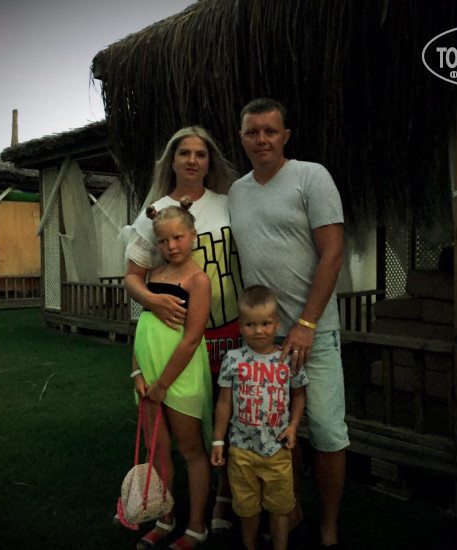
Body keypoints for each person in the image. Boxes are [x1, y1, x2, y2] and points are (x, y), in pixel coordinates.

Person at [228, 98, 349, 548]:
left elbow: (333, 252)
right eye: (252, 132)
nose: (261, 139)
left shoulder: (311, 177)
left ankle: (329, 522)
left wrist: (307, 324)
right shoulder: (237, 192)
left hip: (314, 332)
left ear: (285, 136)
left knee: (328, 431)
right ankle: (291, 507)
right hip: (265, 337)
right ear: (242, 138)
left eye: (270, 131)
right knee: (280, 429)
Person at [121, 126, 243, 535]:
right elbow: (134, 274)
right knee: (175, 433)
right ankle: (168, 510)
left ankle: (222, 500)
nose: (192, 160)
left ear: (210, 162)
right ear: (171, 160)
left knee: (225, 418)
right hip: (173, 336)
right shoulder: (155, 212)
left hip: (227, 325)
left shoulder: (229, 203)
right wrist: (153, 300)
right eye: (184, 153)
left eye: (201, 154)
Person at [131, 199, 211, 550]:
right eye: (163, 241)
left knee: (191, 449)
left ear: (193, 235)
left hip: (179, 377)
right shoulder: (152, 276)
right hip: (148, 377)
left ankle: (196, 526)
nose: (171, 246)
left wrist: (164, 384)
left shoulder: (198, 280)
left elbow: (192, 338)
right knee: (157, 449)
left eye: (178, 237)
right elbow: (144, 327)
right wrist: (137, 370)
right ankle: (165, 518)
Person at [211, 285, 308, 550]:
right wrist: (218, 441)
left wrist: (293, 426)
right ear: (240, 326)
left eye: (265, 323)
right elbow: (224, 402)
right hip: (241, 451)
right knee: (247, 508)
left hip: (278, 449)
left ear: (277, 324)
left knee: (280, 508)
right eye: (250, 324)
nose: (258, 330)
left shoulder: (287, 359)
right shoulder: (233, 359)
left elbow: (299, 395)